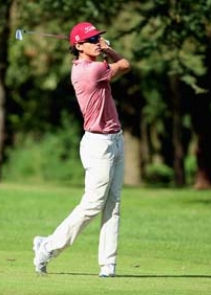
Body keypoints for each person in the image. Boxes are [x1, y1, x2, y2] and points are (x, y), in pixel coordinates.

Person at [32, 22, 131, 278]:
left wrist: (104, 49)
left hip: (115, 139)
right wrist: (109, 50)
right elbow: (125, 65)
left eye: (100, 38)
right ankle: (48, 247)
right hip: (98, 144)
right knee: (93, 203)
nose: (98, 42)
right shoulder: (90, 71)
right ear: (78, 46)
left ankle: (108, 266)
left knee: (114, 203)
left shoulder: (93, 66)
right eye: (92, 39)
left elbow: (121, 66)